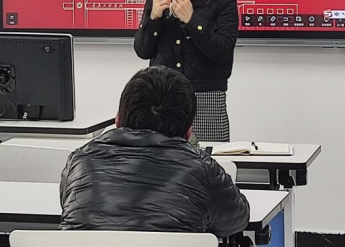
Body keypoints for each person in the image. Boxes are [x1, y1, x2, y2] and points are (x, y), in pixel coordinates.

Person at [59, 66, 250, 237]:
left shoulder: (79, 161)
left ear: (117, 120)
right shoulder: (202, 168)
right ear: (188, 132)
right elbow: (237, 220)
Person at [134, 0, 238, 142]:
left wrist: (192, 20)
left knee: (208, 159)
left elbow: (223, 52)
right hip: (161, 98)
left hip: (206, 99)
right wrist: (154, 19)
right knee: (161, 160)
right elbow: (143, 51)